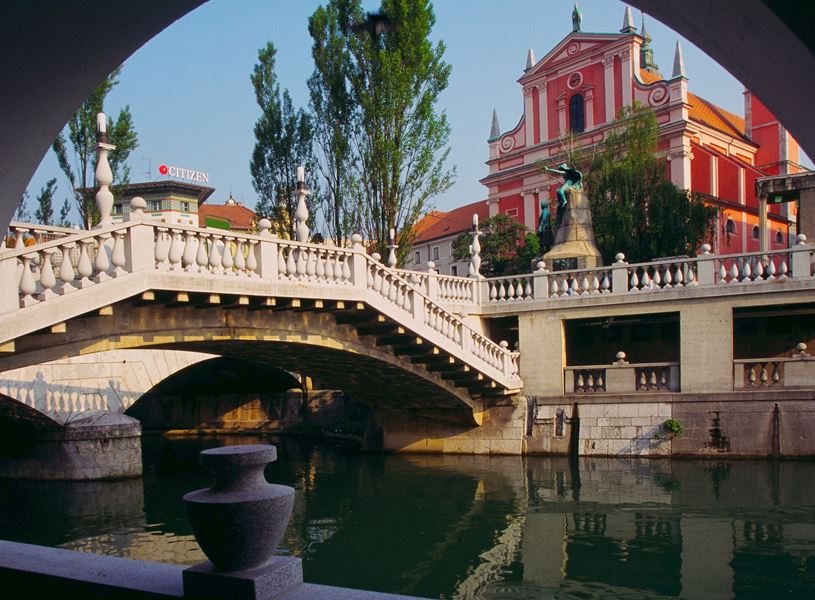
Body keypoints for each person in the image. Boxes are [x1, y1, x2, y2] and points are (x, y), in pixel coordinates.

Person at [543, 163, 582, 229]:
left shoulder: (565, 172)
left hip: (570, 182)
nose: (560, 169)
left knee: (560, 191)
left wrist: (548, 169)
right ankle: (563, 200)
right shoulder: (568, 172)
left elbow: (557, 172)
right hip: (571, 182)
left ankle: (564, 201)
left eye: (561, 168)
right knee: (559, 191)